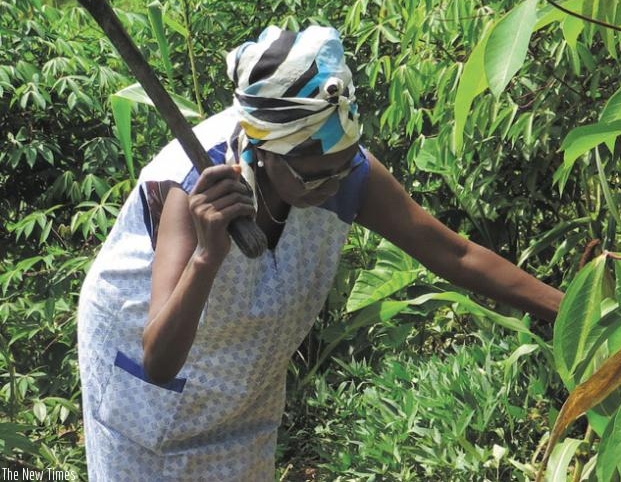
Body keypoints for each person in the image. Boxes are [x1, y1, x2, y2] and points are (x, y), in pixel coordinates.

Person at [77, 25, 564, 480]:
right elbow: (158, 363)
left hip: (240, 379)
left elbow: (454, 255)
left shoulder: (344, 168)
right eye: (314, 174)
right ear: (264, 152)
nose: (331, 185)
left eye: (341, 169)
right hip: (145, 357)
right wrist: (207, 256)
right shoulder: (194, 190)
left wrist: (571, 313)